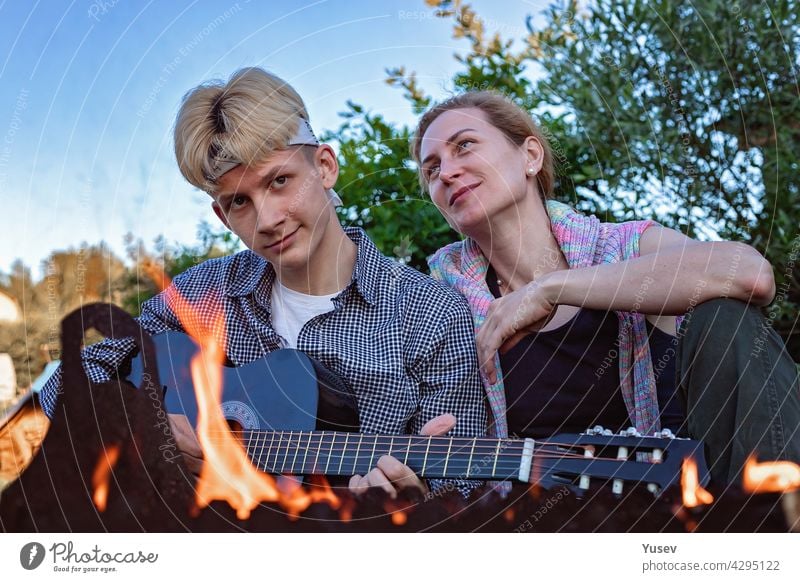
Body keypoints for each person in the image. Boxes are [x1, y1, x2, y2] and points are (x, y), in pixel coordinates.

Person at [40, 68, 487, 498]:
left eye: (280, 181)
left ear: (325, 167)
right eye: (239, 202)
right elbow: (70, 380)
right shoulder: (200, 293)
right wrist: (136, 422)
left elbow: (467, 489)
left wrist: (421, 496)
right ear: (222, 216)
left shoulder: (432, 314)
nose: (268, 220)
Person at [411, 90, 800, 486]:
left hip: (693, 500)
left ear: (530, 156)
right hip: (553, 522)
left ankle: (774, 521)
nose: (445, 173)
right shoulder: (443, 303)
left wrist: (548, 289)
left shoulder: (622, 247)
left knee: (725, 317)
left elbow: (751, 274)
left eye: (465, 145)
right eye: (431, 169)